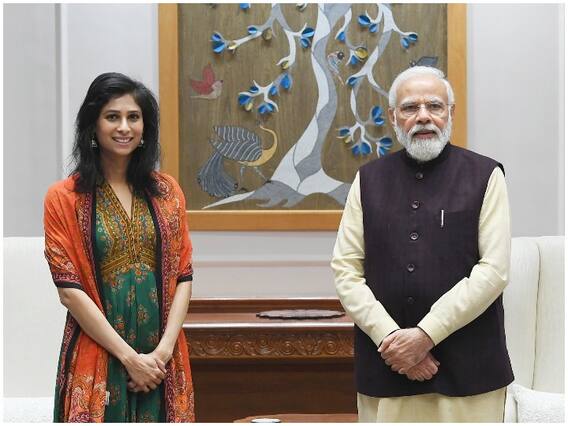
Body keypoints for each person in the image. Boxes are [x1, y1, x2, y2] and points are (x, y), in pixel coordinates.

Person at [331, 66, 514, 422]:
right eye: (410, 107)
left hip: (471, 371)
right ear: (393, 117)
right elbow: (345, 270)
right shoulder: (368, 180)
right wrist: (392, 340)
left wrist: (426, 335)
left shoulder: (485, 175)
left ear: (451, 113)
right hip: (387, 366)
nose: (424, 116)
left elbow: (494, 271)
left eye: (434, 106)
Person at [43, 73, 195, 422]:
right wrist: (129, 359)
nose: (124, 127)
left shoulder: (167, 192)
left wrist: (160, 355)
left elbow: (184, 276)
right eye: (113, 117)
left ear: (145, 127)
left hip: (162, 362)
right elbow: (69, 291)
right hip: (97, 356)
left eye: (133, 117)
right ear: (93, 125)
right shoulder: (64, 198)